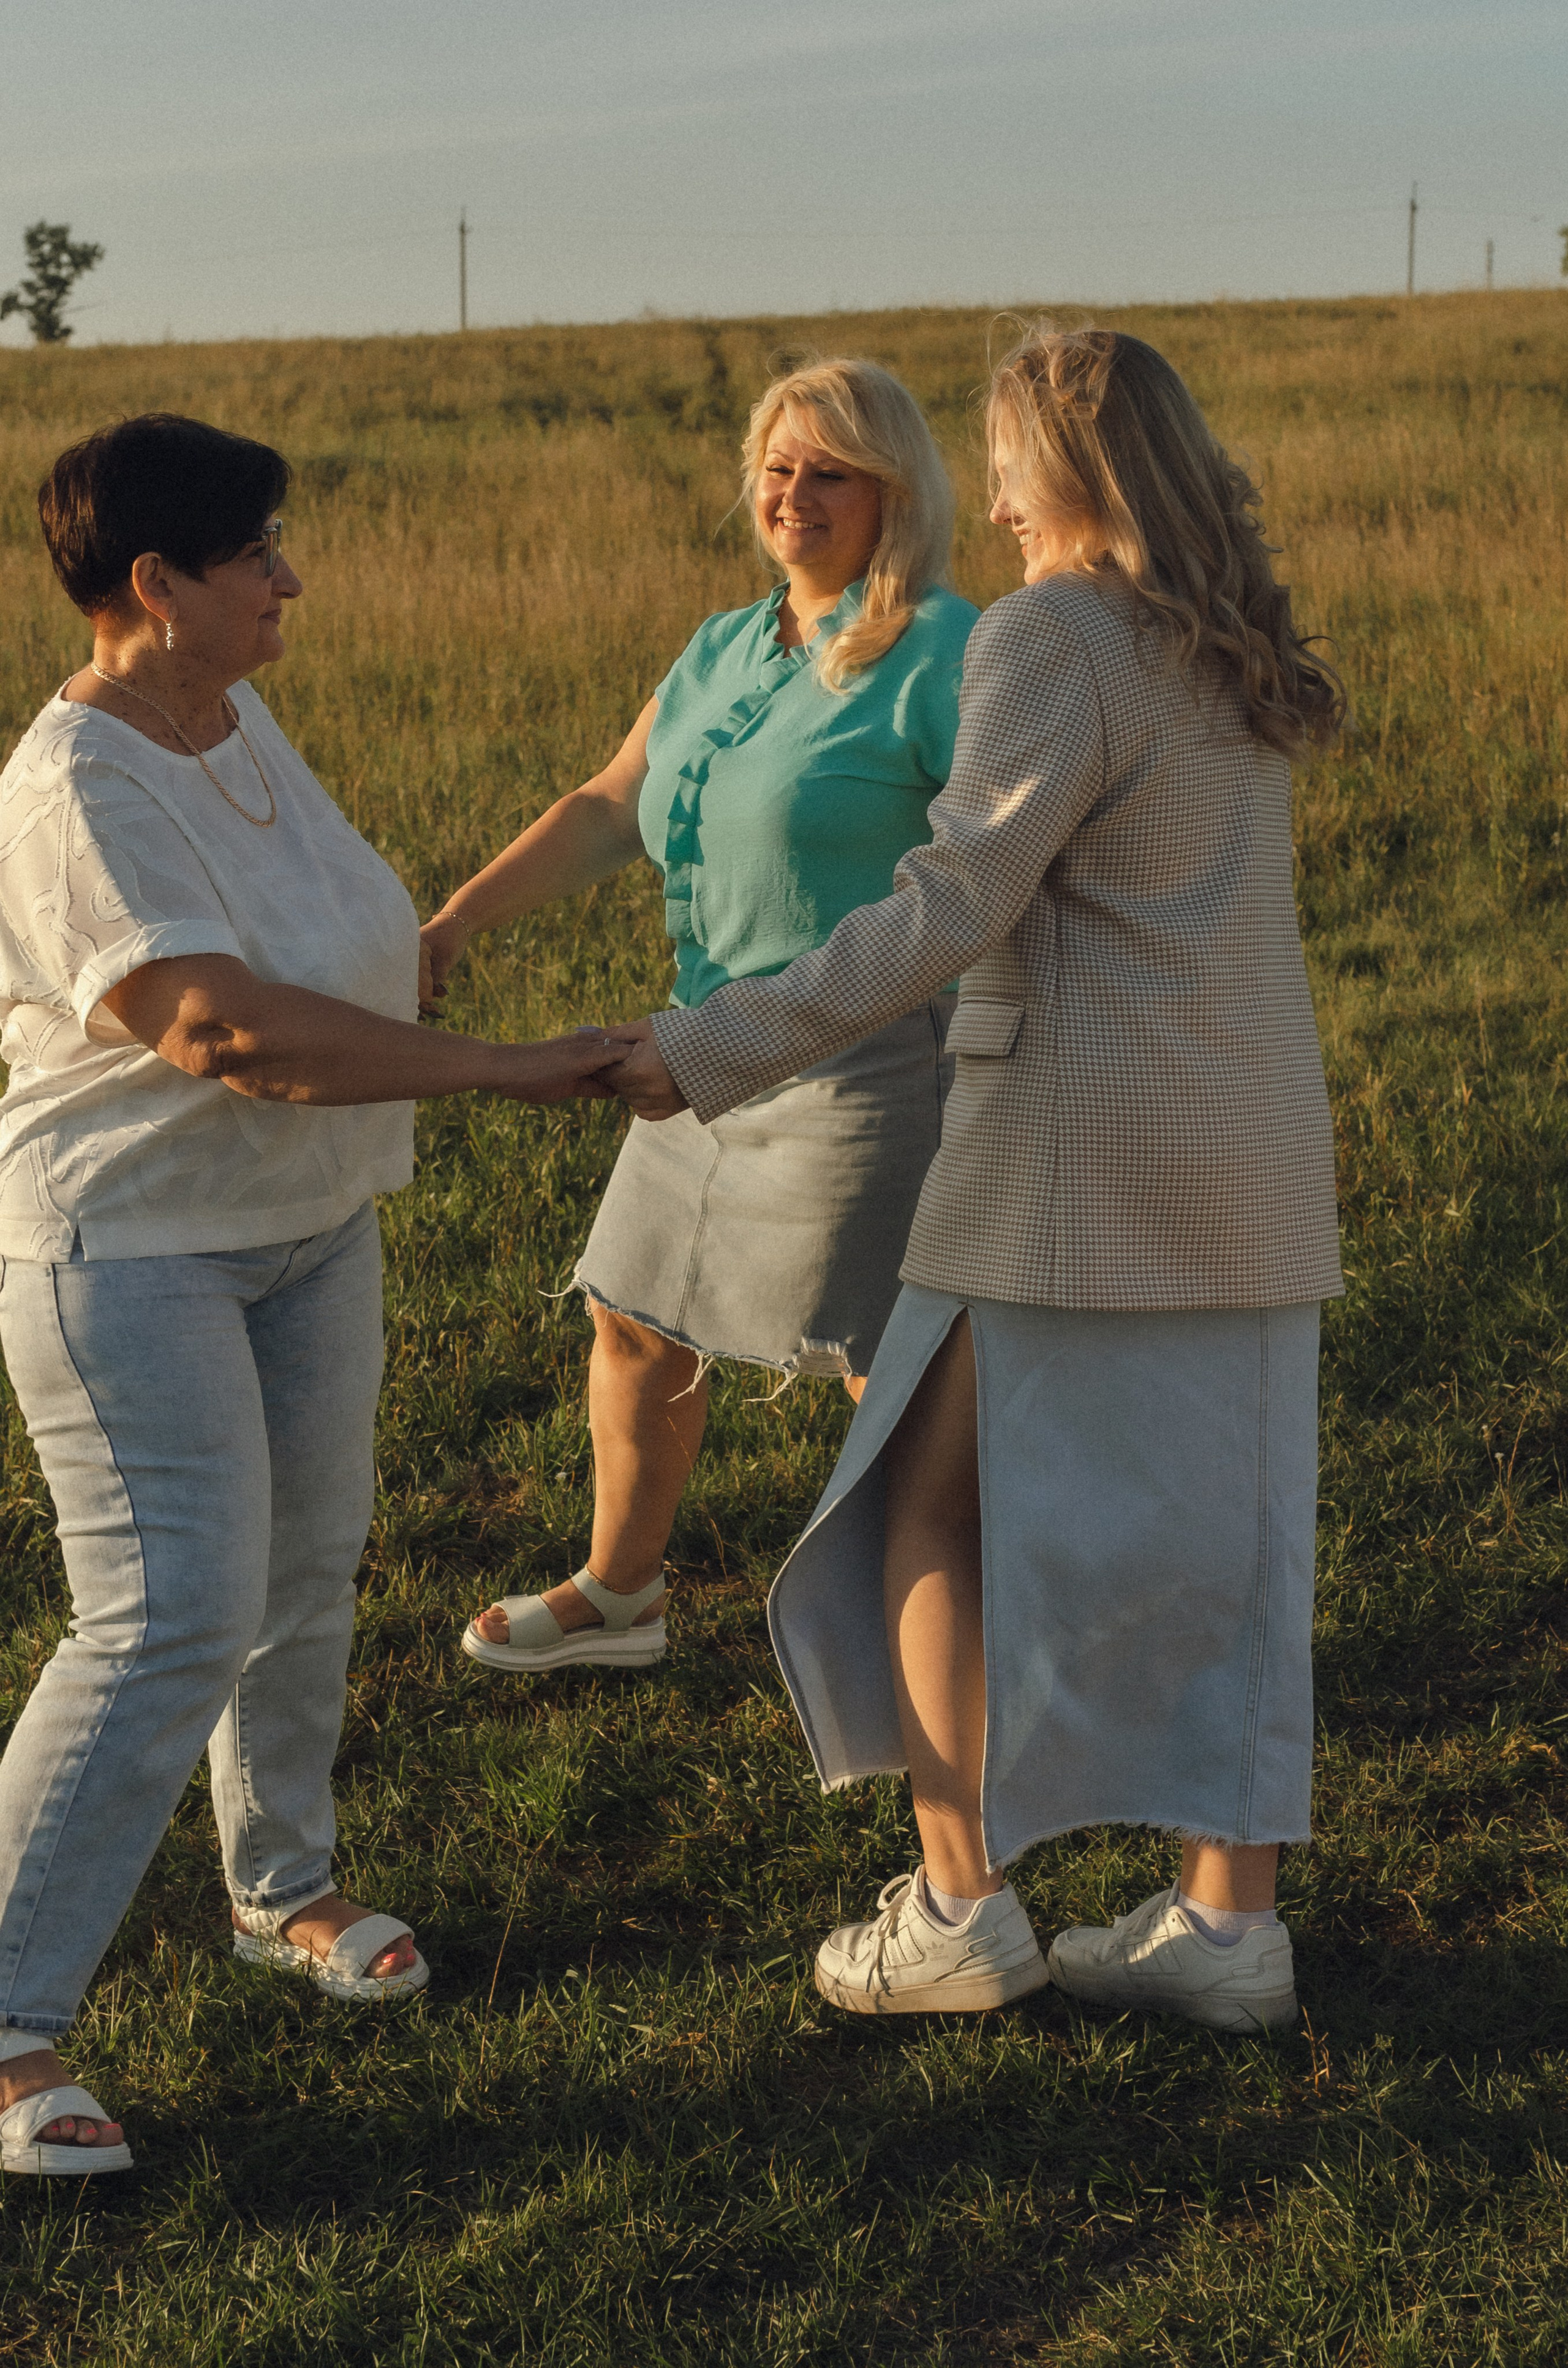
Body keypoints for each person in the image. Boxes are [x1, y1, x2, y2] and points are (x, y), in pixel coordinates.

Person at [606, 325, 1345, 2032]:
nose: (993, 501)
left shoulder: (1051, 632)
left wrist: (710, 1044)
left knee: (918, 1507)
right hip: (1250, 1156)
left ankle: (961, 1907)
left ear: (1068, 469)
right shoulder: (1228, 638)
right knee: (1224, 1545)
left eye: (1006, 464)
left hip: (1059, 1160)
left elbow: (953, 902)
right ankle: (1229, 1925)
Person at [0, 414, 614, 2177]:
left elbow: (322, 937)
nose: (292, 576)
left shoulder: (229, 715)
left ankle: (280, 1888)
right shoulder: (74, 786)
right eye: (257, 551)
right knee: (163, 1616)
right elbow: (219, 1027)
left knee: (301, 1572)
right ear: (156, 584)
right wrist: (508, 1068)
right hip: (132, 1248)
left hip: (306, 1225)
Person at [421, 361, 978, 1676]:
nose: (794, 495)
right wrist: (452, 921)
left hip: (859, 1061)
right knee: (633, 1317)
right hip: (694, 1051)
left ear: (894, 492)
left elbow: (997, 870)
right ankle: (622, 1595)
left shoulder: (945, 650)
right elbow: (610, 803)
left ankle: (961, 1636)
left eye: (830, 471)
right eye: (779, 468)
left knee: (885, 1366)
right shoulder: (727, 642)